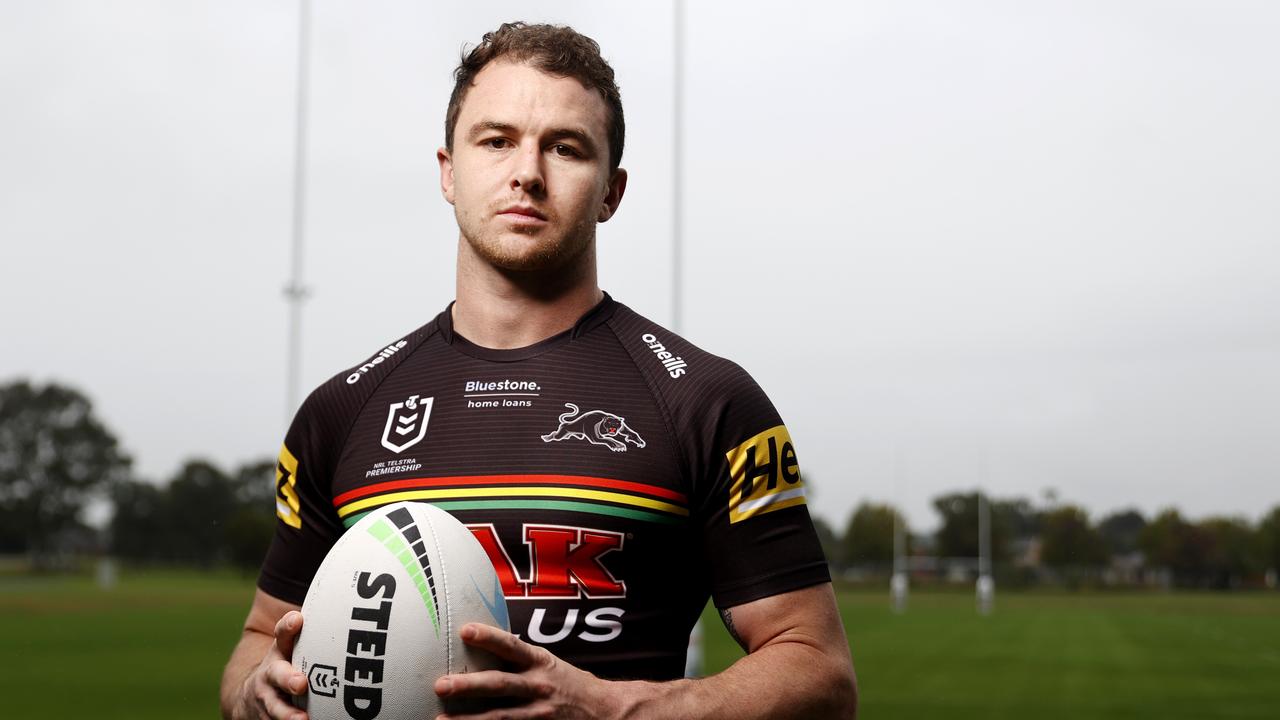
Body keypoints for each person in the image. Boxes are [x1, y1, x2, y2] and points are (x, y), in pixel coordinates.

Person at [220, 21, 857, 720]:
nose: (527, 171)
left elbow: (820, 673)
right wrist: (254, 689)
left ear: (611, 191)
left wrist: (615, 711)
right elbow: (259, 638)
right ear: (448, 170)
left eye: (566, 147)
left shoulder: (704, 401)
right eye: (496, 141)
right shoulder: (341, 413)